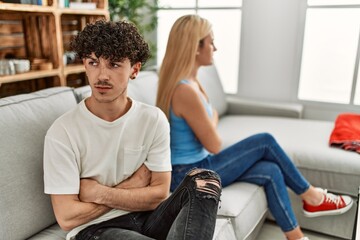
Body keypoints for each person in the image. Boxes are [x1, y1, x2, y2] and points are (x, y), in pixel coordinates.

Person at [156, 14, 353, 240]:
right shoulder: (185, 90)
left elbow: (211, 125)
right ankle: (312, 196)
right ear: (195, 47)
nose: (215, 48)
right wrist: (213, 120)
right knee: (265, 140)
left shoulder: (192, 83)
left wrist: (212, 120)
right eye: (211, 42)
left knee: (271, 171)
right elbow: (214, 144)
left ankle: (297, 237)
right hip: (188, 174)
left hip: (196, 165)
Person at [43, 19, 222, 240]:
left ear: (134, 69)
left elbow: (158, 195)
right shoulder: (63, 132)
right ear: (85, 64)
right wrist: (133, 185)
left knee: (205, 180)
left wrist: (99, 192)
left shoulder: (153, 119)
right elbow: (67, 217)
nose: (102, 75)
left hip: (150, 217)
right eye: (93, 62)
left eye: (114, 64)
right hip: (96, 229)